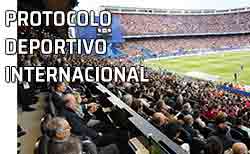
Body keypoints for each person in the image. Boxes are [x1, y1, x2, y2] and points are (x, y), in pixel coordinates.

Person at [46, 117, 120, 154]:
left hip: (89, 146)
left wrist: (86, 141)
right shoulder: (64, 150)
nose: (70, 128)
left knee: (114, 145)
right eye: (67, 128)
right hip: (92, 150)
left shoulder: (62, 137)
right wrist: (89, 145)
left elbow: (79, 137)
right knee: (115, 147)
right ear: (58, 134)